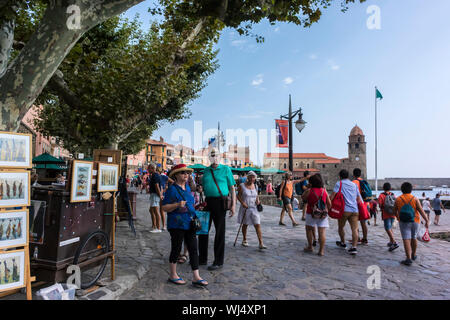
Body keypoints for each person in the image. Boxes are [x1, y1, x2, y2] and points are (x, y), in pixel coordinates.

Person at [161, 164, 208, 286]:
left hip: (190, 223)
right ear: (176, 175)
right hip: (176, 224)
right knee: (176, 248)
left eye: (187, 173)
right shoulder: (171, 189)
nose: (186, 175)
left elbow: (189, 206)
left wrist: (198, 207)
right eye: (183, 173)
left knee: (193, 249)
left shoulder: (188, 188)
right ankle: (173, 275)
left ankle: (196, 276)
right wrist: (177, 205)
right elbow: (164, 207)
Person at [198, 148, 236, 271]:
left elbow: (232, 189)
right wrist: (199, 189)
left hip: (220, 203)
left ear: (220, 157)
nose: (214, 157)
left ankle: (218, 261)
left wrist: (233, 205)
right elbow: (204, 187)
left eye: (216, 155)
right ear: (209, 157)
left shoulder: (226, 169)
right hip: (208, 202)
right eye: (212, 155)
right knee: (203, 230)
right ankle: (202, 258)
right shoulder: (206, 171)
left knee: (219, 232)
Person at [393, 182, 430, 266]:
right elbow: (421, 211)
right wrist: (427, 221)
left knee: (406, 239)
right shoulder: (415, 198)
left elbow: (394, 211)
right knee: (414, 237)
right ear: (411, 190)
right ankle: (414, 254)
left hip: (403, 222)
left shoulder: (398, 199)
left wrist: (398, 218)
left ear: (402, 190)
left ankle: (408, 258)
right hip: (415, 221)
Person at [331, 169, 363, 255]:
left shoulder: (339, 183)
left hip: (344, 210)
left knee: (341, 227)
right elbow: (359, 199)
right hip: (354, 210)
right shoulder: (354, 185)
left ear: (340, 176)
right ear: (348, 176)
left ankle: (343, 242)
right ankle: (354, 247)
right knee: (355, 229)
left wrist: (329, 205)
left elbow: (333, 196)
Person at [301, 174, 331, 256]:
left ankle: (310, 246)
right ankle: (321, 251)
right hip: (322, 214)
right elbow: (329, 203)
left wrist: (308, 188)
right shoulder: (324, 191)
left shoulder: (309, 191)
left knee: (309, 229)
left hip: (311, 213)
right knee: (322, 232)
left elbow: (303, 197)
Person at [236, 171, 266, 250]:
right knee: (245, 224)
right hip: (245, 208)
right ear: (248, 178)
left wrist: (258, 201)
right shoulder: (242, 186)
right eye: (251, 177)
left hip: (254, 208)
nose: (252, 179)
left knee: (257, 224)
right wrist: (242, 203)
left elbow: (256, 195)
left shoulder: (255, 186)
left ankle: (261, 243)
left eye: (254, 177)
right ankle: (244, 239)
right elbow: (238, 196)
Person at [378, 183, 399, 251]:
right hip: (393, 213)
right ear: (390, 188)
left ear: (383, 188)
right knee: (390, 228)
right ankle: (391, 241)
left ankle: (394, 242)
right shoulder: (393, 195)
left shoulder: (381, 195)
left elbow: (380, 205)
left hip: (386, 213)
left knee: (387, 228)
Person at [352, 168, 370, 245]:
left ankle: (357, 238)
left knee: (355, 222)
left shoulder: (353, 182)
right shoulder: (364, 181)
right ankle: (365, 239)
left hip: (357, 203)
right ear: (360, 174)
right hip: (364, 203)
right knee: (363, 222)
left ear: (353, 174)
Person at [148, 164, 163, 233]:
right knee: (151, 210)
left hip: (155, 195)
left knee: (156, 211)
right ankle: (154, 225)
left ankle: (158, 227)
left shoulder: (155, 175)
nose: (148, 170)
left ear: (152, 168)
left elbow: (157, 186)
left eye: (149, 168)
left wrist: (160, 195)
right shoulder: (155, 175)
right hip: (154, 194)